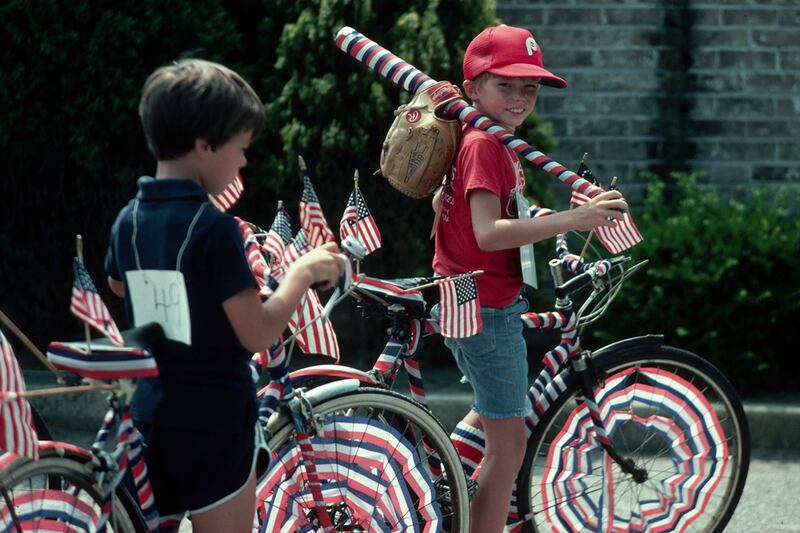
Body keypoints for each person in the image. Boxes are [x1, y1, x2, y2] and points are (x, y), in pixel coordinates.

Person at [105, 59, 343, 532]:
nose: (242, 162)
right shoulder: (214, 229)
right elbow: (257, 331)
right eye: (239, 148)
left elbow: (116, 284)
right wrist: (300, 273)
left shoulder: (128, 219)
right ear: (204, 145)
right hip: (215, 423)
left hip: (150, 416)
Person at [432, 25, 628, 533]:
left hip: (471, 299)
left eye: (530, 88)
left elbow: (466, 210)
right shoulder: (485, 146)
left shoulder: (491, 141)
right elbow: (489, 233)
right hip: (488, 307)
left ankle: (447, 481)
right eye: (506, 85)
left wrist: (552, 215)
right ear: (473, 87)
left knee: (495, 413)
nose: (520, 98)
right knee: (511, 446)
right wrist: (571, 221)